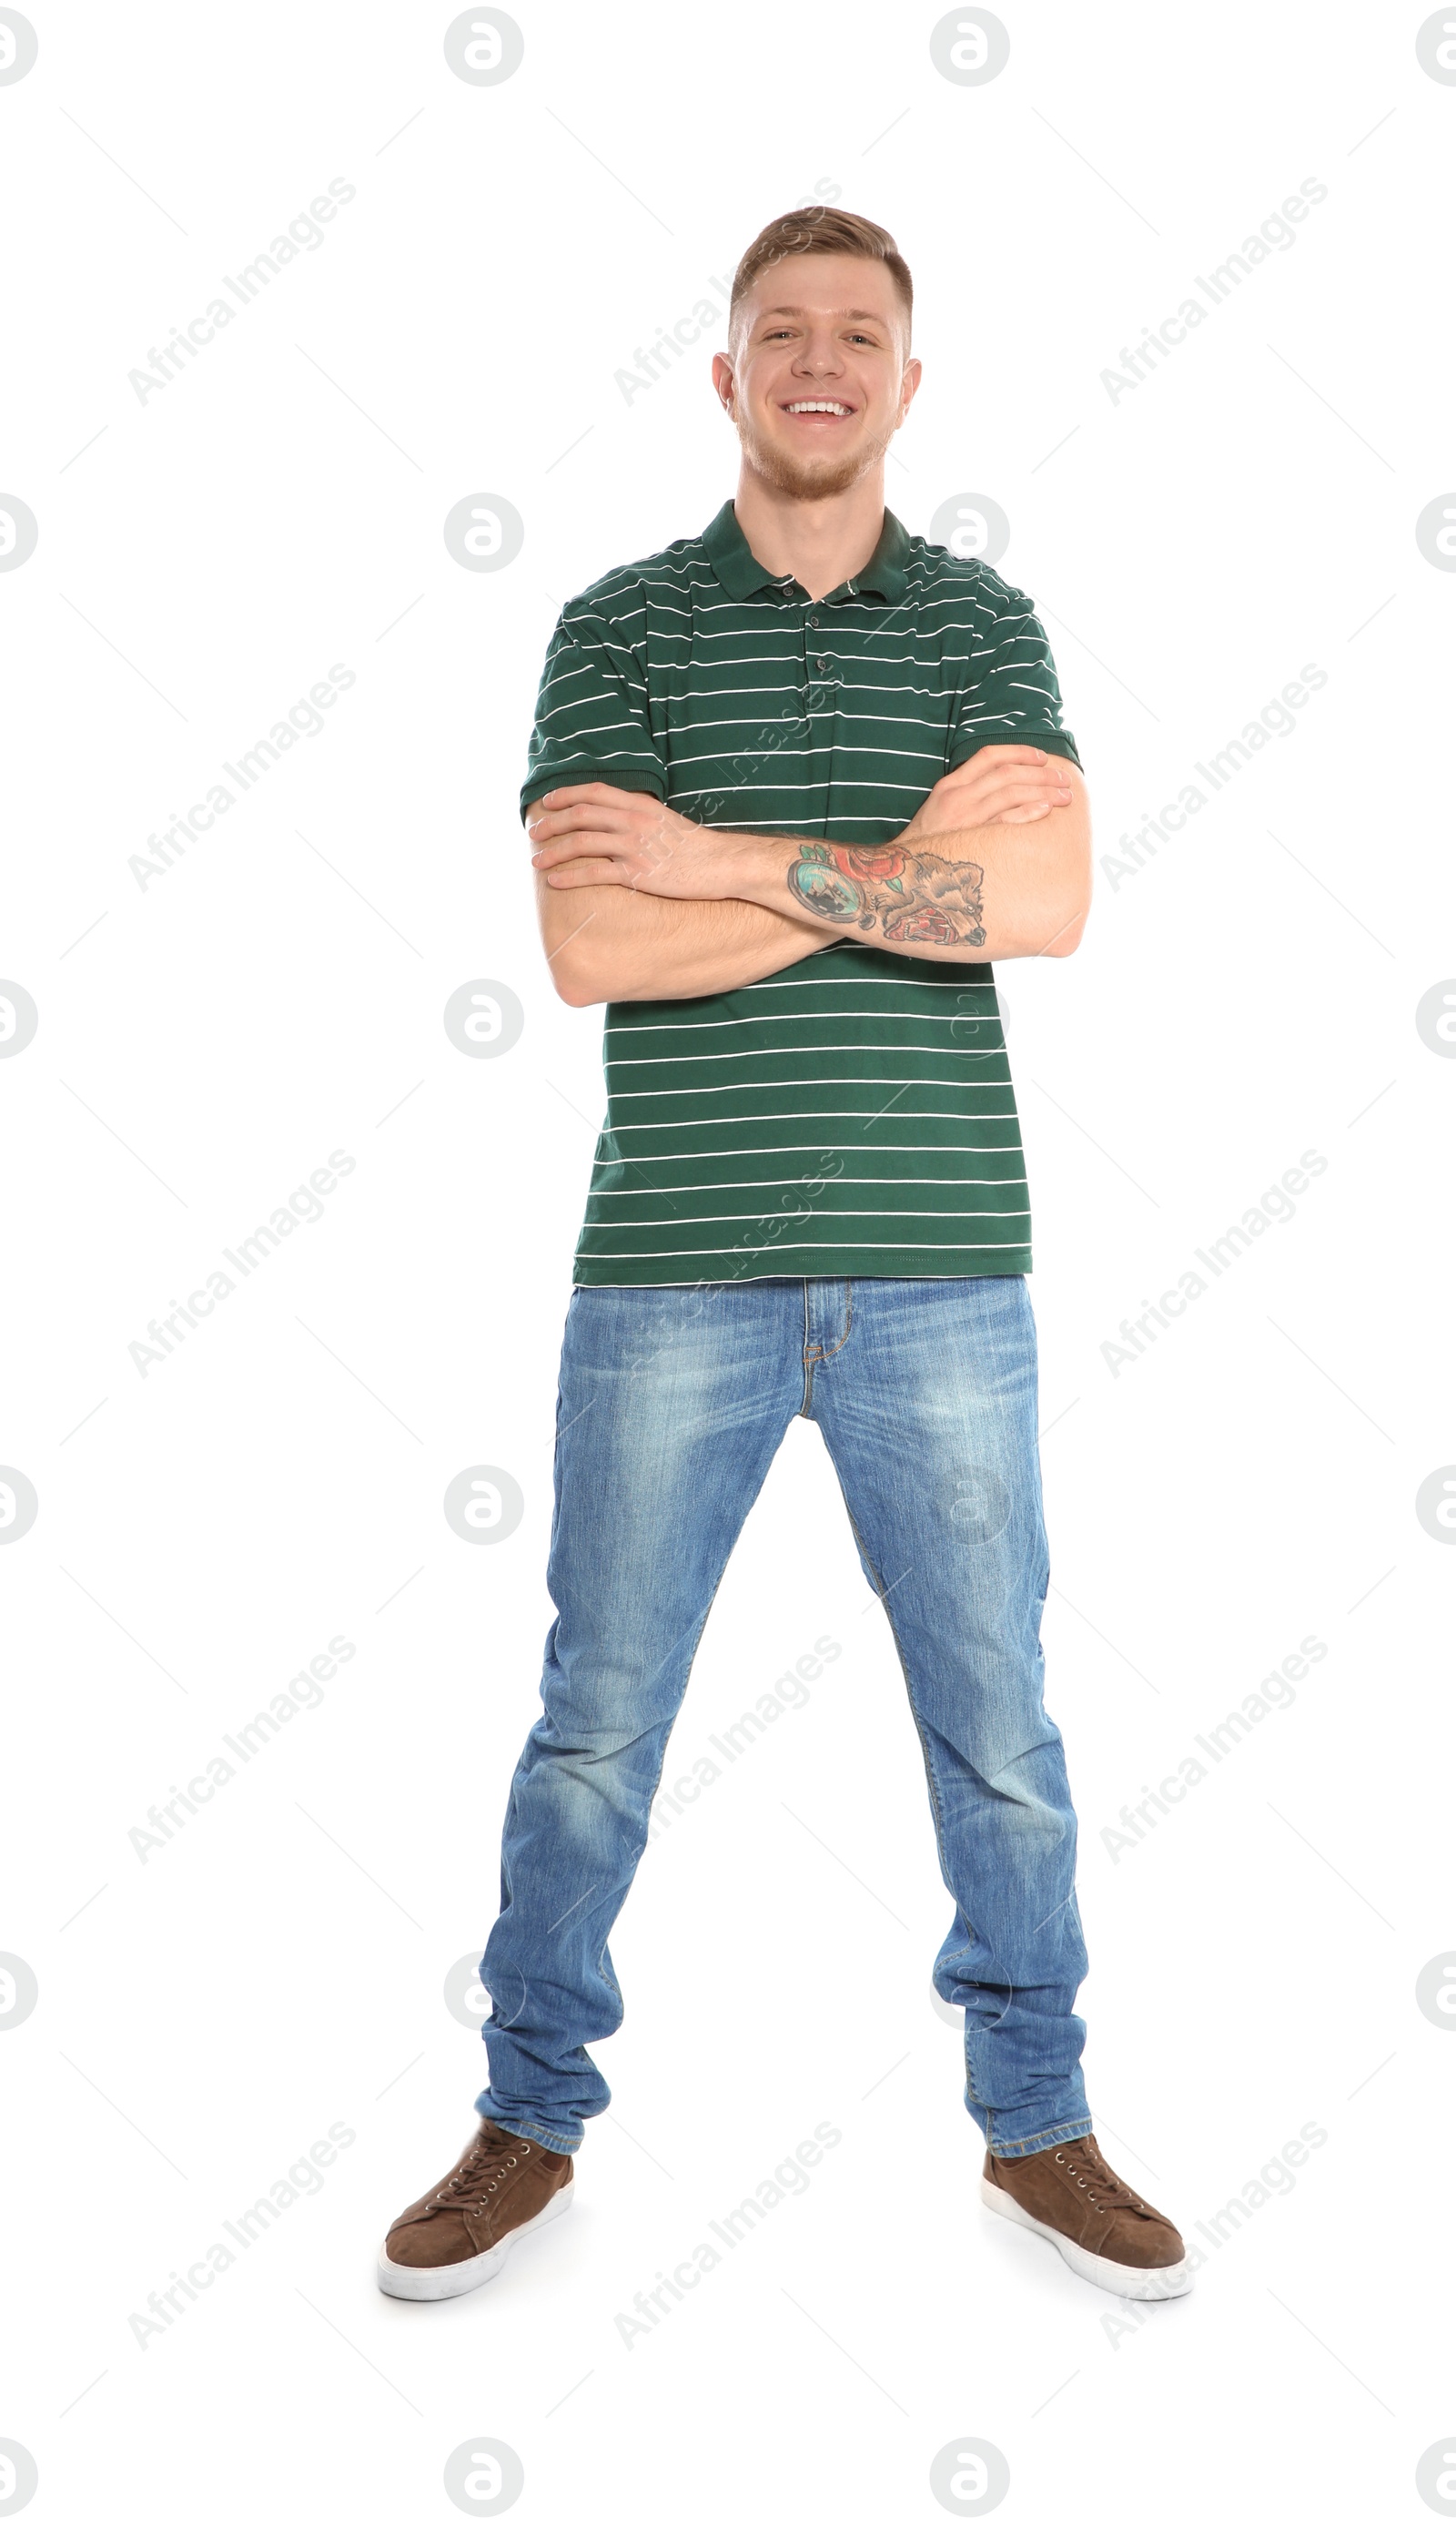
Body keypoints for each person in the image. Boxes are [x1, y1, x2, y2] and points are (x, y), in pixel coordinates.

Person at [377, 207, 1190, 2307]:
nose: (817, 361)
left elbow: (1047, 905)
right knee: (595, 1719)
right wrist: (897, 865)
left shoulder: (982, 625)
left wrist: (733, 860)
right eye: (779, 334)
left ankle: (1038, 2116)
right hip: (671, 1270)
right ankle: (526, 2112)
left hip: (941, 1266)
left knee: (996, 1715)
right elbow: (587, 944)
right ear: (723, 377)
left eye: (859, 336)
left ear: (906, 386)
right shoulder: (620, 628)